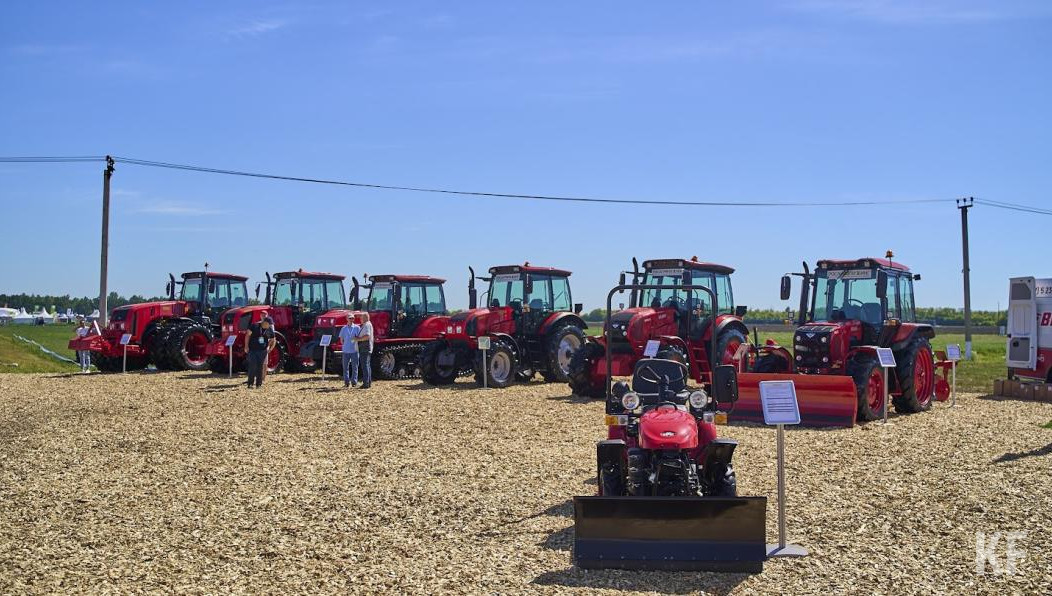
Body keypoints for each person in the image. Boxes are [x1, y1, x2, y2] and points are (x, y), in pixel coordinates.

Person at [244, 316, 276, 388]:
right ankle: (250, 383)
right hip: (253, 350)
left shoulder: (269, 329)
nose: (270, 325)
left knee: (260, 367)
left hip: (263, 351)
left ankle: (259, 384)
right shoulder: (254, 326)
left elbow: (273, 339)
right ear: (265, 322)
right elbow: (247, 335)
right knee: (252, 366)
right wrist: (246, 346)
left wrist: (270, 348)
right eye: (269, 324)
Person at [338, 317, 361, 388]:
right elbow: (341, 339)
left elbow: (359, 338)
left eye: (353, 318)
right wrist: (345, 345)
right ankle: (346, 382)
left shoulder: (357, 328)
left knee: (355, 367)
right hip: (345, 351)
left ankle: (354, 382)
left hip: (355, 350)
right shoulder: (343, 328)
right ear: (347, 319)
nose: (351, 319)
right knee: (345, 367)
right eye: (350, 318)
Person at [357, 312, 374, 389]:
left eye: (361, 317)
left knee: (365, 365)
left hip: (365, 347)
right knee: (367, 365)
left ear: (365, 318)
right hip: (366, 347)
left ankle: (366, 383)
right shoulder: (367, 324)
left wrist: (358, 339)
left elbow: (367, 336)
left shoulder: (367, 325)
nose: (360, 319)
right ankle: (368, 382)